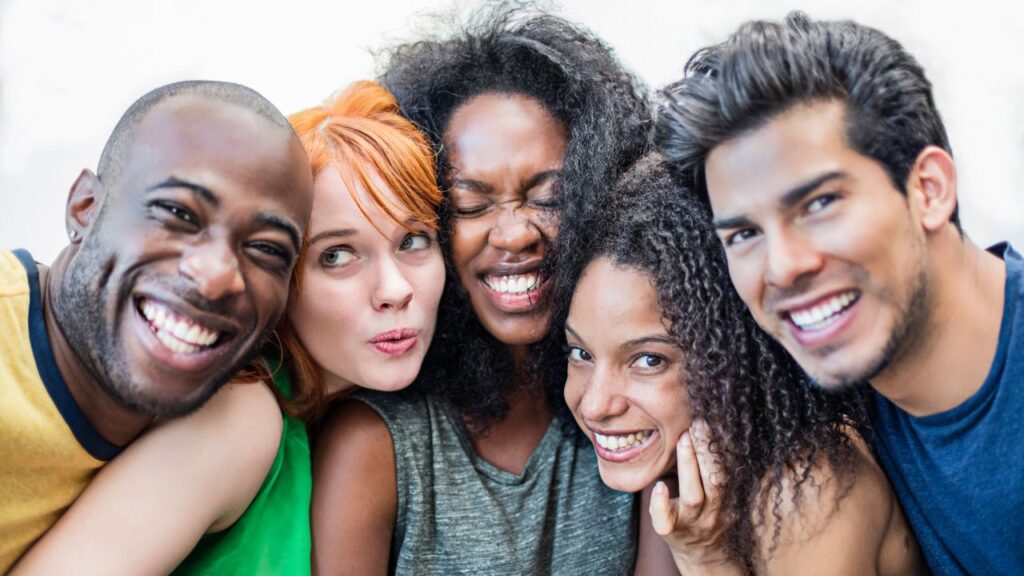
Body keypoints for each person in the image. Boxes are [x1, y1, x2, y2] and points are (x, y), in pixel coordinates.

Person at [11, 80, 445, 574]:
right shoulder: (243, 417)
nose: (394, 289)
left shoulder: (359, 420)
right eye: (337, 255)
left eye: (413, 241)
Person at [656, 11, 1024, 575]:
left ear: (928, 190)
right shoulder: (831, 403)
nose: (783, 268)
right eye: (745, 234)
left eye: (820, 204)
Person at [314, 5, 651, 574]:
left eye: (549, 197)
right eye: (472, 204)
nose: (515, 233)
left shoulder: (630, 410)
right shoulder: (376, 445)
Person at [0, 80, 313, 572]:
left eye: (267, 249)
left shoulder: (230, 419)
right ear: (85, 208)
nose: (216, 277)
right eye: (177, 213)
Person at [562, 153, 922, 574]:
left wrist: (705, 559)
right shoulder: (673, 459)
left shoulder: (806, 489)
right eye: (581, 353)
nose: (595, 405)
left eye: (647, 360)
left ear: (729, 356)